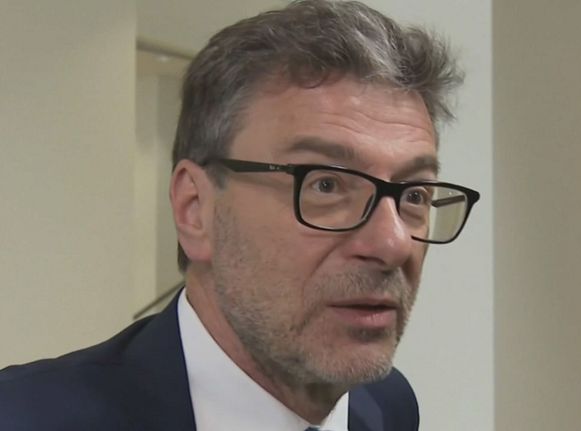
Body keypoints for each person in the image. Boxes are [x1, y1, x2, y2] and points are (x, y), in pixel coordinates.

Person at [0, 1, 480, 429]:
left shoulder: (385, 404)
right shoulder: (23, 416)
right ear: (195, 209)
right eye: (326, 185)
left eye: (414, 195)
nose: (393, 243)